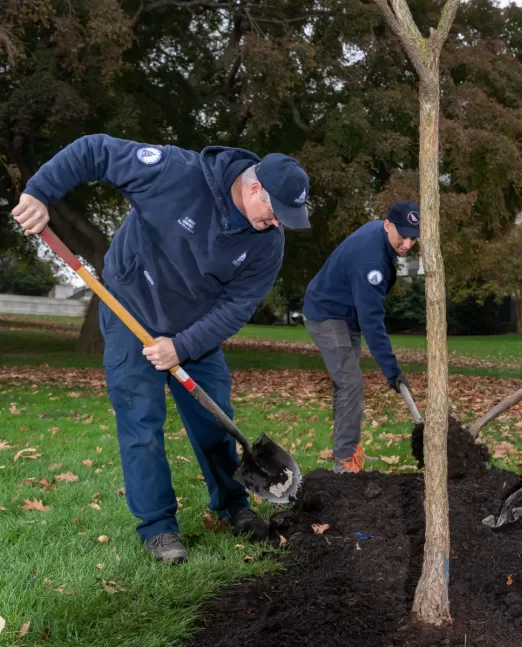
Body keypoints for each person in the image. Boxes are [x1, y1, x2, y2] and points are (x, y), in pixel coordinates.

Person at [11, 134, 311, 565]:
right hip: (129, 307)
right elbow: (95, 151)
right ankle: (158, 528)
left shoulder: (268, 243)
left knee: (215, 421)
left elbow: (237, 307)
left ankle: (233, 506)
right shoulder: (176, 173)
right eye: (275, 211)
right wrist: (40, 192)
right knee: (141, 423)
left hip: (194, 329)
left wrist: (183, 346)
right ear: (253, 188)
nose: (277, 223)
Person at [302, 202, 419, 473]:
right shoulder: (371, 263)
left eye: (413, 237)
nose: (407, 244)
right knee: (350, 383)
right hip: (327, 314)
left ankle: (349, 449)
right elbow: (372, 321)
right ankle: (345, 461)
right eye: (403, 235)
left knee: (347, 385)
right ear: (388, 224)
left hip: (345, 313)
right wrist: (392, 370)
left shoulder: (380, 234)